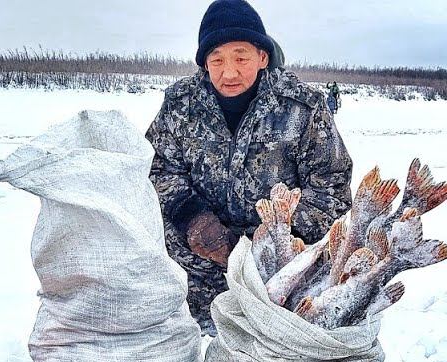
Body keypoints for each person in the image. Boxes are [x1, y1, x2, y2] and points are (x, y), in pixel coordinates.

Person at [146, 0, 352, 334]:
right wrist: (193, 219)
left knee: (282, 343)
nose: (228, 72)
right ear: (205, 63)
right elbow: (160, 169)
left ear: (262, 57)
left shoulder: (304, 108)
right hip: (195, 262)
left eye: (241, 58)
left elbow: (331, 189)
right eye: (217, 60)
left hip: (280, 266)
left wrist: (276, 240)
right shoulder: (179, 105)